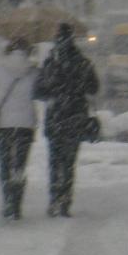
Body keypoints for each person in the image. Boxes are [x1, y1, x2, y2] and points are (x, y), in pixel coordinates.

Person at [32, 23, 99, 216]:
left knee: (54, 161)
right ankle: (65, 200)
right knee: (69, 163)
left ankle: (54, 198)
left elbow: (38, 91)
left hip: (55, 117)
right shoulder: (83, 62)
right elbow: (94, 88)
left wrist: (53, 94)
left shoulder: (50, 63)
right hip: (76, 117)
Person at [0, 37, 38, 220]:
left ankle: (7, 201)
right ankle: (17, 203)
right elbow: (40, 93)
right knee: (20, 165)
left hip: (4, 124)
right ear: (27, 50)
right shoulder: (33, 71)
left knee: (5, 164)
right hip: (26, 124)